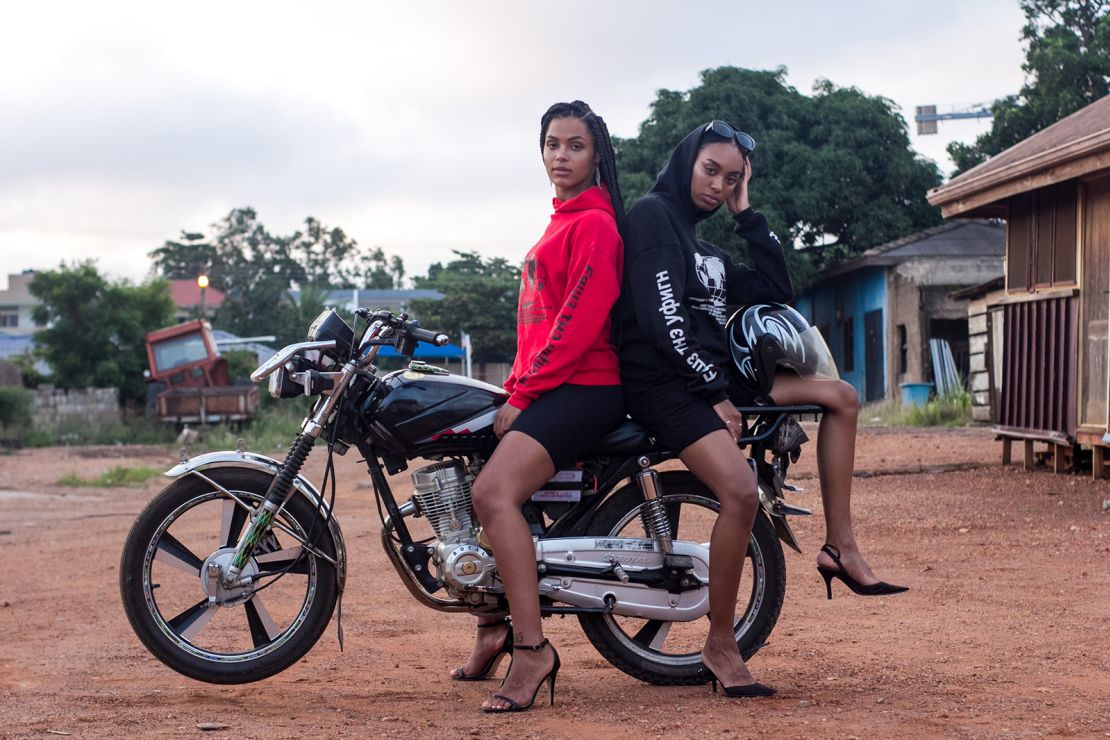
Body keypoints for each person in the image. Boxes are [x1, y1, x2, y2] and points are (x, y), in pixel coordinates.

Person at [618, 120, 907, 698]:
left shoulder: (706, 247)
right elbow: (662, 322)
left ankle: (840, 547)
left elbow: (777, 288)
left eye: (731, 179)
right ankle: (721, 642)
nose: (719, 186)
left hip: (709, 379)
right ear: (685, 161)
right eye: (711, 171)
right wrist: (715, 394)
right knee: (741, 493)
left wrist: (747, 213)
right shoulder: (653, 217)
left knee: (840, 397)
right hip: (664, 385)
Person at [453, 101, 627, 713]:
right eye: (552, 144)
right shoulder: (561, 221)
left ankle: (532, 652)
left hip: (589, 386)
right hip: (555, 384)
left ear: (596, 155)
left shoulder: (596, 226)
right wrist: (518, 386)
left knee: (493, 494)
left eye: (575, 145)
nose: (560, 155)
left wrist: (523, 394)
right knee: (474, 468)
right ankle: (493, 626)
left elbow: (577, 326)